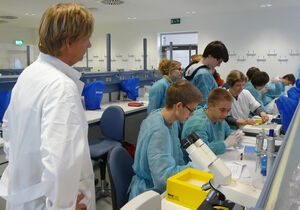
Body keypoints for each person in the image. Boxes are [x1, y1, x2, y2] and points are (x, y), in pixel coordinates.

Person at [0, 3, 96, 210]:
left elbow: (8, 131)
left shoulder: (29, 74)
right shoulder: (60, 86)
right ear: (69, 42)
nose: (89, 45)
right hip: (48, 202)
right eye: (86, 38)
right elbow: (60, 161)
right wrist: (65, 206)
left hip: (26, 195)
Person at [129, 80, 203, 199]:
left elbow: (177, 157)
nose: (192, 114)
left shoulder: (169, 120)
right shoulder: (159, 130)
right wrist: (194, 167)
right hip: (149, 193)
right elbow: (162, 179)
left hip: (159, 188)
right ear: (178, 106)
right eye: (191, 110)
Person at [182, 88, 243, 155]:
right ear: (210, 106)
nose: (225, 114)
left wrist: (236, 134)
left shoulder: (218, 117)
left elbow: (227, 131)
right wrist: (225, 144)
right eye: (222, 110)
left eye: (228, 111)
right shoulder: (198, 124)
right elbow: (202, 152)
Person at [184, 41, 229, 107]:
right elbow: (204, 103)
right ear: (210, 56)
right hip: (201, 115)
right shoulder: (203, 74)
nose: (219, 65)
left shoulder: (192, 67)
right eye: (219, 61)